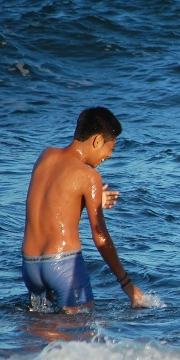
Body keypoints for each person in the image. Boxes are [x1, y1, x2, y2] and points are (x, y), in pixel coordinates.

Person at [22, 107, 145, 312]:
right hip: (63, 264)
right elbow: (99, 236)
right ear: (97, 140)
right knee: (80, 337)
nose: (110, 155)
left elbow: (52, 197)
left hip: (30, 265)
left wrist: (89, 200)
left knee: (41, 336)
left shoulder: (45, 156)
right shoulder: (89, 176)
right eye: (110, 147)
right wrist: (126, 283)